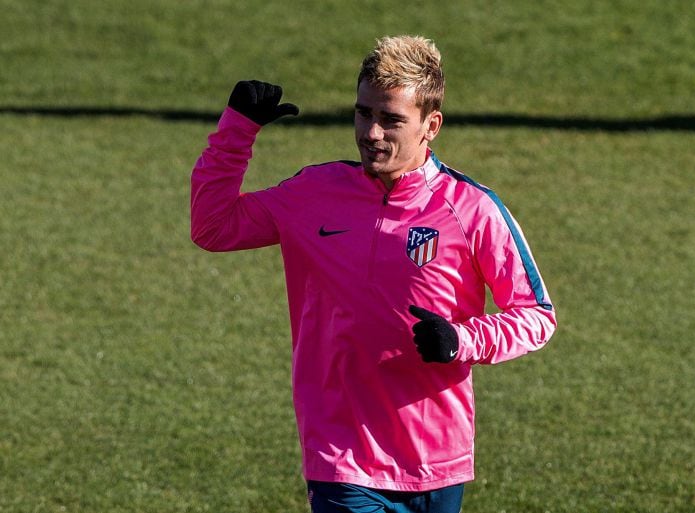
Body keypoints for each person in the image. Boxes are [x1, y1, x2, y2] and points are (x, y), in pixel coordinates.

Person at [190, 35, 556, 513]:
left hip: (435, 458)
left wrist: (462, 340)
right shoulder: (314, 193)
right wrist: (237, 132)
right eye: (364, 113)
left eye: (391, 119)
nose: (372, 133)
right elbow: (213, 227)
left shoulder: (472, 210)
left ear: (431, 125)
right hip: (342, 454)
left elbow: (536, 315)